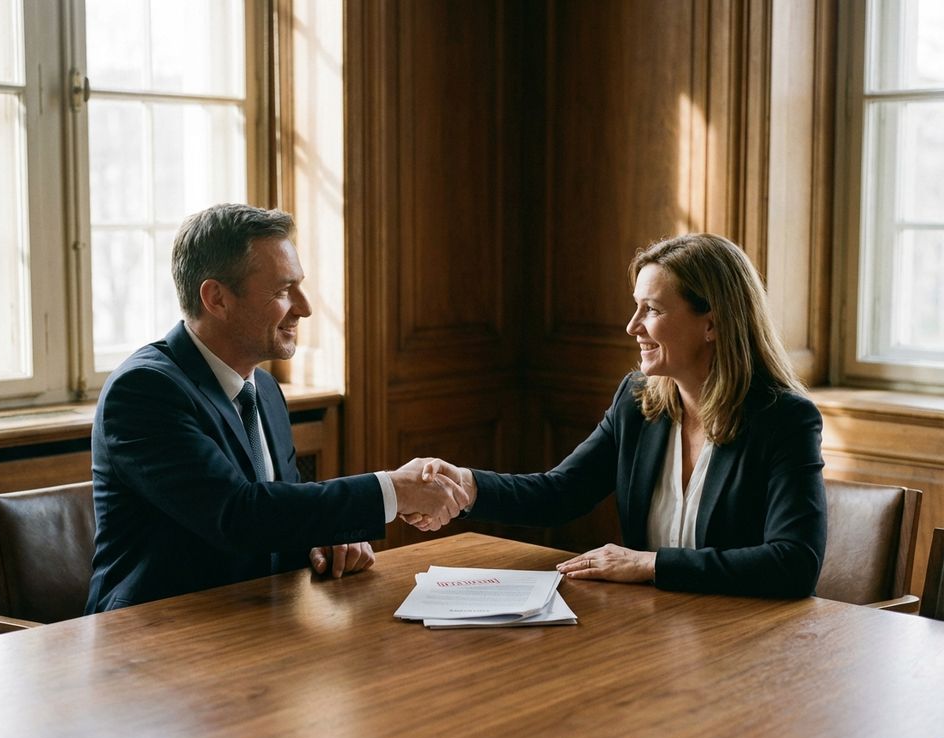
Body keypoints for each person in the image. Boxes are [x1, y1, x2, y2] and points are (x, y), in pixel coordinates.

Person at [85, 203, 467, 613]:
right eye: (284, 291)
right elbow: (238, 516)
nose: (304, 307)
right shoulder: (145, 390)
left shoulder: (264, 388)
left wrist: (324, 536)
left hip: (252, 622)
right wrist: (393, 489)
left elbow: (274, 513)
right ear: (216, 298)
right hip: (148, 639)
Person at [417, 233, 827, 598]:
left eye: (651, 310)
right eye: (636, 307)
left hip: (743, 642)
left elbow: (793, 564)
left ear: (712, 325)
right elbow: (560, 493)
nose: (633, 326)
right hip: (653, 630)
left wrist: (648, 564)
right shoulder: (636, 403)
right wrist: (467, 485)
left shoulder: (785, 420)